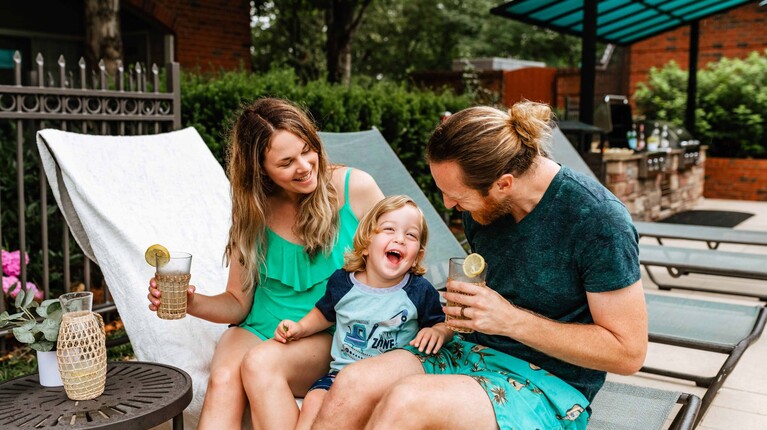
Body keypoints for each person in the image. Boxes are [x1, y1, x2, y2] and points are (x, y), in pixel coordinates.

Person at [312, 101, 648, 430]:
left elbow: (627, 352)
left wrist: (511, 320)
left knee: (408, 401)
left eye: (457, 195)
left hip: (547, 383)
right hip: (465, 352)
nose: (448, 205)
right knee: (353, 382)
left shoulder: (598, 220)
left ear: (504, 184)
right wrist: (454, 317)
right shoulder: (482, 211)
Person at [146, 97, 384, 429]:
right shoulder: (255, 211)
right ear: (261, 169)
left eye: (307, 150)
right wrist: (190, 302)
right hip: (258, 327)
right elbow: (237, 304)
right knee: (225, 378)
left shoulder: (354, 188)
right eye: (286, 162)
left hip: (323, 330)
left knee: (259, 364)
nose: (303, 166)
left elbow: (399, 258)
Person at [273, 194, 452, 430]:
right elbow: (325, 313)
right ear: (366, 243)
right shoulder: (343, 282)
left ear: (417, 255)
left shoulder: (418, 290)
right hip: (340, 375)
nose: (400, 239)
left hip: (388, 384)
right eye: (389, 229)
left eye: (411, 235)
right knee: (314, 401)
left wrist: (438, 332)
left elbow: (443, 323)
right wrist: (300, 327)